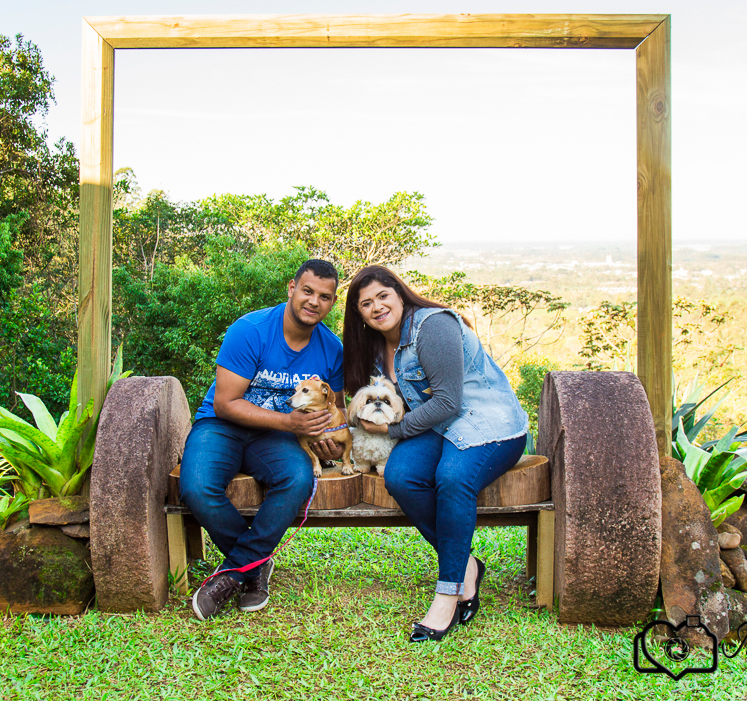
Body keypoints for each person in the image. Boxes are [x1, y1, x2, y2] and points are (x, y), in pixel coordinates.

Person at [343, 265, 529, 642]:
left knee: (453, 478)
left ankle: (447, 595)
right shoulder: (376, 346)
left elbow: (447, 401)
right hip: (438, 427)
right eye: (366, 303)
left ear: (399, 294)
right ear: (358, 313)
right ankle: (467, 565)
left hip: (488, 423)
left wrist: (391, 430)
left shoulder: (433, 326)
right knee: (401, 476)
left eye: (383, 296)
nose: (377, 307)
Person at [180, 259, 346, 620]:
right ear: (292, 288)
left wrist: (329, 440)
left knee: (298, 478)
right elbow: (226, 403)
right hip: (221, 425)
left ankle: (235, 571)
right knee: (196, 487)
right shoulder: (250, 330)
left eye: (325, 296)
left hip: (276, 437)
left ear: (333, 302)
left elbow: (337, 410)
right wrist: (290, 422)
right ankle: (255, 564)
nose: (314, 301)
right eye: (307, 291)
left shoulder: (332, 349)